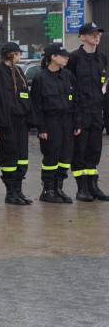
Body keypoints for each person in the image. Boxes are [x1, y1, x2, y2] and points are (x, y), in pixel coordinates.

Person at [31, 44, 81, 203]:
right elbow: (36, 106)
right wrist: (41, 127)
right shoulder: (40, 77)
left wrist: (77, 123)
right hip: (51, 122)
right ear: (53, 57)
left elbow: (76, 101)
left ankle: (58, 188)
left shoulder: (68, 76)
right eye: (63, 55)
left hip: (67, 121)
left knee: (65, 157)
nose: (67, 58)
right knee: (51, 157)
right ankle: (48, 190)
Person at [66, 23, 108, 201]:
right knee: (80, 150)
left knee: (94, 149)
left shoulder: (102, 58)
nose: (96, 37)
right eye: (92, 34)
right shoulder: (74, 58)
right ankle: (81, 187)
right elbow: (68, 86)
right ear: (83, 37)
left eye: (97, 34)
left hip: (96, 111)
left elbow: (103, 86)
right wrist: (74, 114)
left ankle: (93, 186)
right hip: (80, 112)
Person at [0, 42, 33, 205]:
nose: (20, 56)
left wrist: (28, 116)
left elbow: (25, 95)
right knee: (10, 156)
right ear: (12, 55)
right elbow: (0, 100)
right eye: (18, 53)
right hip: (7, 123)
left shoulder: (19, 71)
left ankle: (18, 190)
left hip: (21, 121)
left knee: (22, 157)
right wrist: (2, 122)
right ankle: (11, 192)